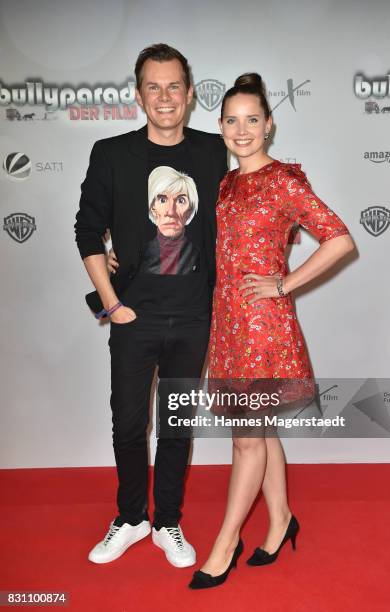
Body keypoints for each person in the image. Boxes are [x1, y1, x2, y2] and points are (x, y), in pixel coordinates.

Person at [187, 73, 355, 589]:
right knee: (261, 431)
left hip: (262, 328)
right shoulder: (225, 182)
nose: (242, 130)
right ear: (220, 127)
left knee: (245, 441)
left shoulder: (284, 180)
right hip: (227, 325)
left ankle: (225, 543)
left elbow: (340, 240)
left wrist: (284, 283)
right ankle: (280, 519)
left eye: (252, 120)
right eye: (232, 121)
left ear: (270, 125)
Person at [74, 43, 227, 568]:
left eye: (174, 86)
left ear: (189, 94)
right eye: (153, 87)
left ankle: (166, 523)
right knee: (127, 422)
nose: (165, 97)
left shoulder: (212, 151)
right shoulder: (112, 153)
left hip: (193, 316)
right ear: (139, 94)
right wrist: (113, 306)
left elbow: (231, 217)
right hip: (133, 315)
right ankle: (132, 517)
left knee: (176, 424)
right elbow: (88, 231)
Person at [139, 165, 200, 275]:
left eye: (181, 200)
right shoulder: (138, 251)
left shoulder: (199, 255)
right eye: (162, 200)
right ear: (152, 207)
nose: (171, 212)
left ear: (189, 211)